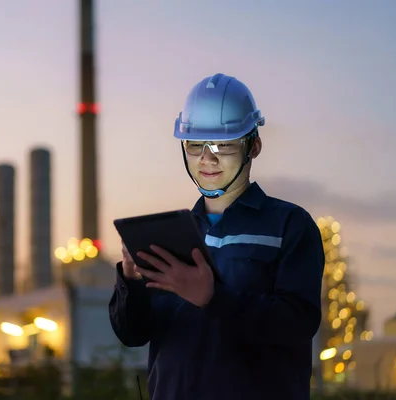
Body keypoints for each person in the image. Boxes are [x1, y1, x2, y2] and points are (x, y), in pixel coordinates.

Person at [108, 73, 325, 400]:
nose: (207, 159)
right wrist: (131, 280)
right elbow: (133, 334)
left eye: (223, 144)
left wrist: (213, 298)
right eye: (195, 145)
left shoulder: (290, 225)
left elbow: (297, 325)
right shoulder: (172, 235)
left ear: (254, 146)